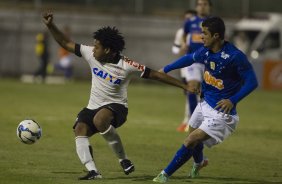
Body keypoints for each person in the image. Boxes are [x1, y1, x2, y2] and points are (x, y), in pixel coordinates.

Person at [42, 11, 194, 180]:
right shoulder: (90, 53)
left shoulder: (127, 65)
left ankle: (123, 159)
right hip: (93, 106)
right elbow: (65, 42)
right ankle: (93, 172)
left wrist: (184, 85)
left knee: (100, 120)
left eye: (97, 47)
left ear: (108, 50)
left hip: (117, 107)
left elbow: (156, 75)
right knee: (79, 129)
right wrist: (50, 25)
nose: (93, 50)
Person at [153, 17, 258, 183]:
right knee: (192, 135)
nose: (201, 36)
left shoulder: (234, 56)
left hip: (223, 114)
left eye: (204, 33)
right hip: (204, 104)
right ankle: (199, 163)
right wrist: (166, 69)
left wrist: (232, 99)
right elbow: (189, 58)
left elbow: (252, 81)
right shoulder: (206, 51)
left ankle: (164, 175)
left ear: (216, 36)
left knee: (191, 140)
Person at [176, 0, 212, 132]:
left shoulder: (214, 22)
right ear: (196, 7)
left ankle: (208, 120)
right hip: (194, 61)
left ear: (209, 7)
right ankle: (192, 121)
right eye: (200, 4)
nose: (202, 7)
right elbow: (184, 35)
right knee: (191, 87)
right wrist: (185, 44)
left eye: (205, 4)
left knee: (208, 92)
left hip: (209, 62)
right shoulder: (190, 22)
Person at [172, 10, 197, 132]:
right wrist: (181, 49)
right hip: (186, 67)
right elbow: (175, 49)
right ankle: (187, 121)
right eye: (186, 18)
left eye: (190, 18)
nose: (188, 20)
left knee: (197, 92)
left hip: (200, 65)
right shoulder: (181, 32)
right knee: (189, 93)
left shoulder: (200, 30)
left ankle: (192, 121)